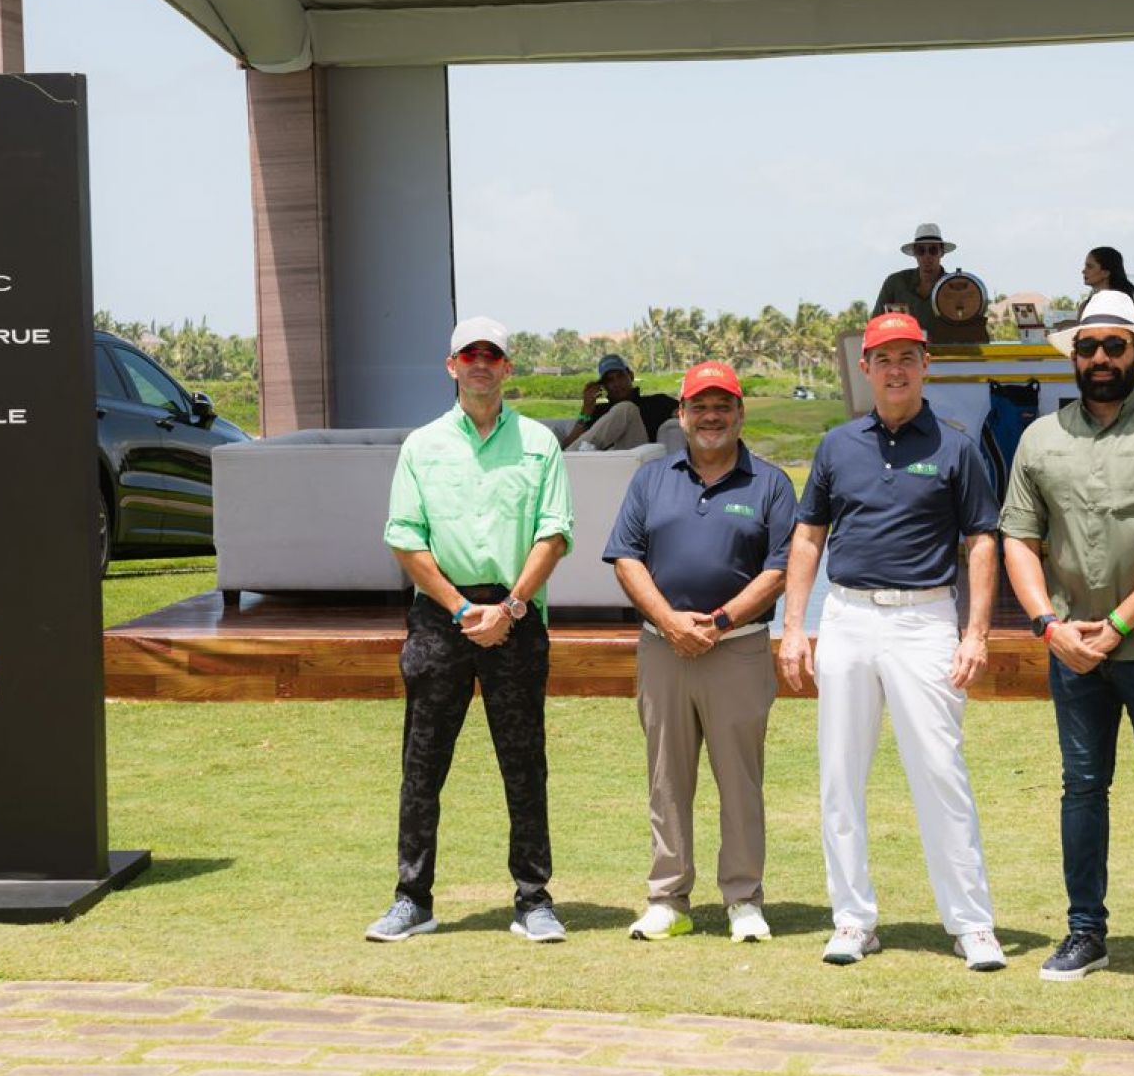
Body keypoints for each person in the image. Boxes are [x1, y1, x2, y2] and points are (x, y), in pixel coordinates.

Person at [999, 288, 1134, 996]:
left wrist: (1118, 623)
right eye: (1087, 346)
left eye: (1113, 346)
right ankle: (1085, 932)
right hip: (1068, 647)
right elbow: (1017, 538)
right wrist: (1047, 624)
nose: (1099, 358)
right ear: (1073, 355)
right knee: (1082, 789)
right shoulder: (1040, 439)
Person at [778, 310, 1007, 973]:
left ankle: (971, 923)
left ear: (926, 363)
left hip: (925, 620)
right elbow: (808, 537)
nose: (897, 369)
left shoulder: (957, 446)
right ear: (867, 368)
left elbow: (981, 540)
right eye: (884, 358)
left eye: (908, 357)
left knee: (940, 771)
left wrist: (976, 631)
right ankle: (852, 918)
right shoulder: (836, 445)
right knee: (839, 775)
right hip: (847, 617)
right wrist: (795, 625)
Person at [369, 316, 574, 945]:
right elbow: (405, 538)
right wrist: (461, 610)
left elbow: (554, 532)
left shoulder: (540, 443)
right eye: (469, 354)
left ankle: (534, 900)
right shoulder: (421, 446)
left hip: (515, 616)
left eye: (492, 354)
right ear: (451, 366)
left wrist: (509, 607)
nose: (480, 363)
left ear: (508, 367)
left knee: (524, 764)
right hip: (441, 617)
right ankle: (413, 899)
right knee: (423, 764)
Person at [603, 361, 796, 944]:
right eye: (700, 407)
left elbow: (780, 568)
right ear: (681, 416)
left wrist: (718, 620)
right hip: (663, 649)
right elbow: (627, 557)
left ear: (740, 413)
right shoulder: (651, 480)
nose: (711, 417)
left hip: (736, 648)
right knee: (666, 778)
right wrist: (668, 620)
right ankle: (668, 899)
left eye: (723, 406)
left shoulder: (771, 483)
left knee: (740, 780)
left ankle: (743, 899)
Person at [873, 222, 991, 345]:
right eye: (921, 250)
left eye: (933, 250)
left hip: (946, 358)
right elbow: (875, 325)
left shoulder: (955, 288)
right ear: (915, 253)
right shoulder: (895, 283)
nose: (927, 256)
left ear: (942, 252)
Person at [565, 354, 678, 451]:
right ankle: (565, 461)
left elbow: (685, 412)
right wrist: (586, 410)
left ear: (631, 376)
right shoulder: (598, 411)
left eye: (620, 376)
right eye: (610, 380)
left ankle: (563, 461)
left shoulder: (657, 402)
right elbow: (570, 445)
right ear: (603, 386)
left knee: (626, 409)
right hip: (603, 465)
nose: (617, 383)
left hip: (639, 462)